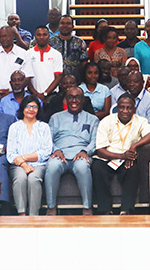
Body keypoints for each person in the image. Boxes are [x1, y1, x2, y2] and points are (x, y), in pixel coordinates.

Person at [92, 93, 150, 215]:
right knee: (97, 168)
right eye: (122, 107)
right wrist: (121, 156)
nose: (125, 111)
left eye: (129, 108)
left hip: (128, 159)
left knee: (133, 169)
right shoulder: (106, 121)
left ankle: (126, 210)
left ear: (134, 109)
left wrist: (134, 146)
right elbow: (100, 150)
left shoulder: (140, 121)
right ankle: (105, 210)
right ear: (117, 107)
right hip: (107, 157)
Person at [46, 87, 99, 215]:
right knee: (52, 166)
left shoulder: (92, 119)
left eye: (77, 97)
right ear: (66, 100)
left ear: (83, 100)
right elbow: (47, 139)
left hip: (81, 154)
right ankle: (51, 207)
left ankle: (87, 207)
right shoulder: (55, 118)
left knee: (82, 166)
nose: (74, 100)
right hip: (60, 154)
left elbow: (95, 141)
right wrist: (56, 149)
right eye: (70, 97)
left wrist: (85, 151)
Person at [5, 96, 52, 216]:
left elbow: (46, 151)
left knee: (33, 179)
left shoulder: (44, 127)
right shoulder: (14, 127)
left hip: (39, 164)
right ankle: (21, 214)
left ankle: (33, 215)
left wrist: (24, 158)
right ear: (23, 108)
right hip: (18, 165)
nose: (31, 109)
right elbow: (11, 153)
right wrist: (23, 164)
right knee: (20, 179)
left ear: (38, 109)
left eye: (34, 106)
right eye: (28, 106)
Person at [0, 26, 34, 97]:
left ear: (13, 36)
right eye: (1, 36)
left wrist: (12, 93)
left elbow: (27, 77)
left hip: (18, 96)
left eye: (6, 36)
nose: (4, 39)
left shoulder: (23, 54)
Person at [27, 26, 62, 100]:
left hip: (52, 95)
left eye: (44, 34)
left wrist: (45, 93)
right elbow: (27, 78)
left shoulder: (56, 54)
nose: (41, 37)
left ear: (49, 36)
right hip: (33, 95)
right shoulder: (28, 54)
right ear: (35, 37)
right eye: (39, 35)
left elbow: (58, 78)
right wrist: (36, 94)